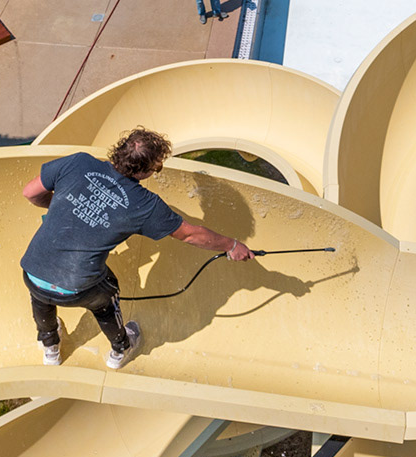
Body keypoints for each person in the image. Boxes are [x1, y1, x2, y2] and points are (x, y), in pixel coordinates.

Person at [20, 127, 250, 369]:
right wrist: (232, 245)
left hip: (32, 272)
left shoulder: (77, 162)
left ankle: (50, 347)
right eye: (157, 167)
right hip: (79, 289)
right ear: (145, 171)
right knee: (105, 298)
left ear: (120, 149)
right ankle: (120, 348)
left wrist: (61, 208)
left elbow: (30, 192)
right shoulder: (145, 204)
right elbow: (190, 234)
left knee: (41, 292)